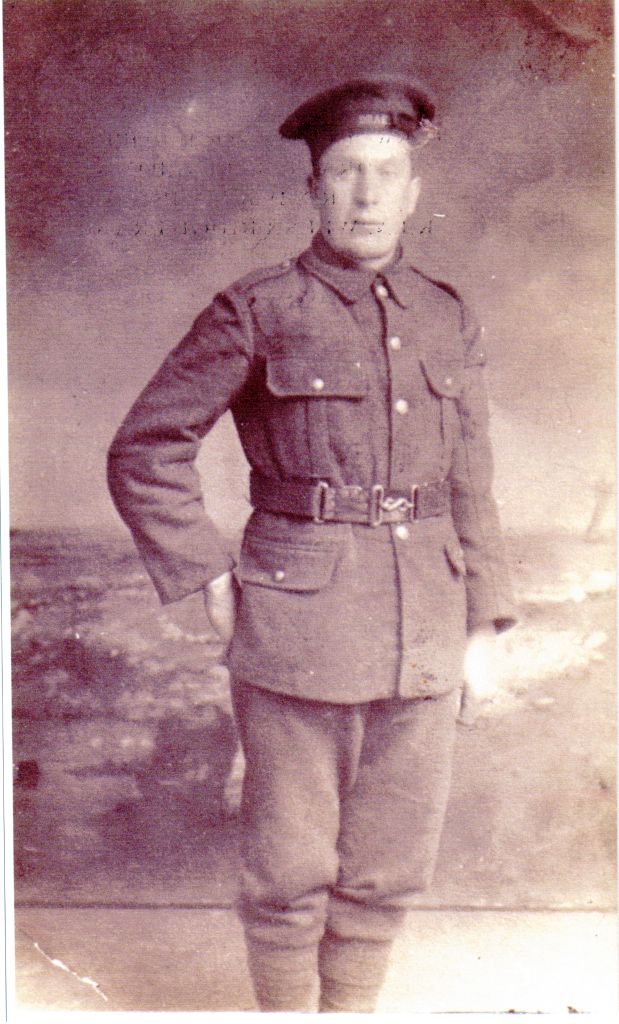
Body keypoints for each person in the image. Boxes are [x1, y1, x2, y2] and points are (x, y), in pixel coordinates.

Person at [107, 76, 516, 1013]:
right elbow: (145, 446)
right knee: (290, 867)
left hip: (427, 619)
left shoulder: (447, 314)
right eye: (344, 173)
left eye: (387, 172)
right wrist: (203, 569)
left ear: (415, 190)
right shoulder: (258, 309)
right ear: (314, 189)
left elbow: (470, 485)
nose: (367, 195)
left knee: (388, 863)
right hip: (297, 622)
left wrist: (485, 622)